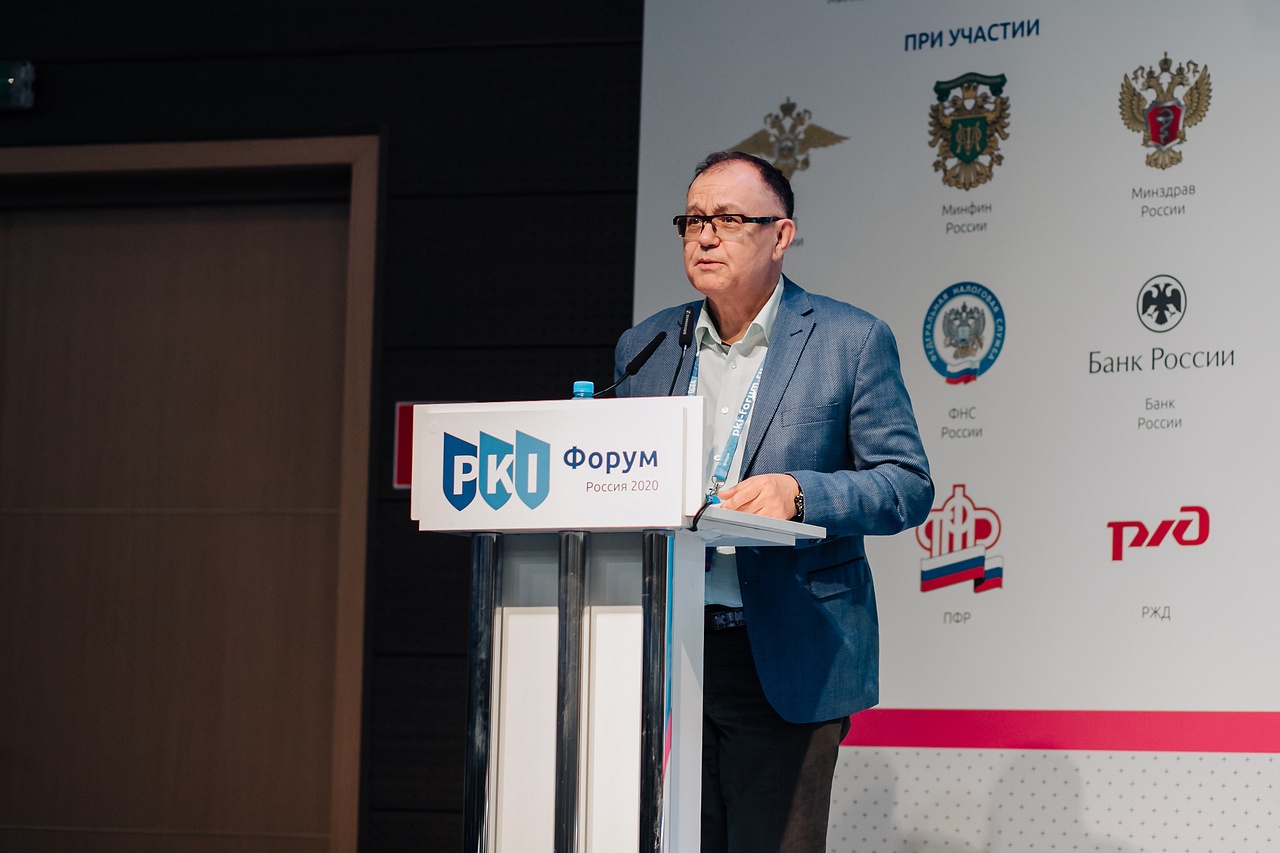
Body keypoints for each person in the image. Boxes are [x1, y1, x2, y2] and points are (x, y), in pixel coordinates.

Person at [614, 151, 933, 852]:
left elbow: (906, 485)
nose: (705, 236)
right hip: (670, 652)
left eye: (728, 219)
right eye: (693, 220)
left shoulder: (849, 340)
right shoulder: (647, 346)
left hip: (787, 651)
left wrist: (800, 493)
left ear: (781, 235)